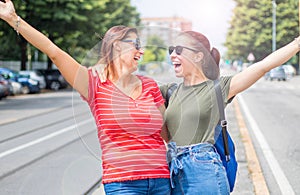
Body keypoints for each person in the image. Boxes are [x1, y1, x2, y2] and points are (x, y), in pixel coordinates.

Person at [91, 28, 300, 194]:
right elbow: (126, 87)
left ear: (199, 56)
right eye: (171, 49)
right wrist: (107, 61)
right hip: (173, 173)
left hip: (204, 170)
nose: (173, 54)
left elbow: (263, 66)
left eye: (179, 50)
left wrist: (296, 44)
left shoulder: (218, 88)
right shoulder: (168, 91)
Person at [0, 1, 171, 194]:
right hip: (123, 184)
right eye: (136, 44)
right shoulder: (94, 83)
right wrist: (13, 19)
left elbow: (166, 134)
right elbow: (53, 51)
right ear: (116, 46)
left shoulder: (150, 85)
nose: (142, 51)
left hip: (161, 180)